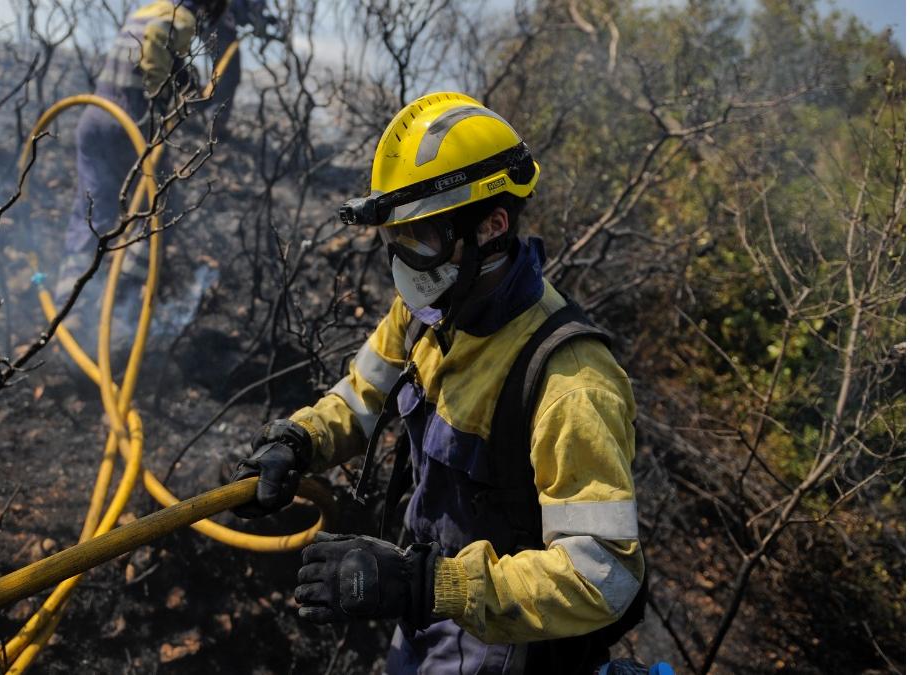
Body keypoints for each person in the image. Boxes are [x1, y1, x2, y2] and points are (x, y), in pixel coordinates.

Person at [229, 92, 645, 674]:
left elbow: (603, 572)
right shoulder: (432, 310)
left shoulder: (570, 382)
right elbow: (360, 398)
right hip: (427, 611)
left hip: (506, 643)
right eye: (396, 239)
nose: (402, 261)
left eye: (421, 240)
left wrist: (430, 583)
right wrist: (298, 441)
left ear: (492, 226)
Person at [56, 0, 269, 351]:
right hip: (133, 125)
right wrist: (190, 91)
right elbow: (160, 62)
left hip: (94, 118)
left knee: (92, 208)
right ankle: (119, 304)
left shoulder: (148, 9)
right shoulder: (181, 20)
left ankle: (70, 304)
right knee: (159, 213)